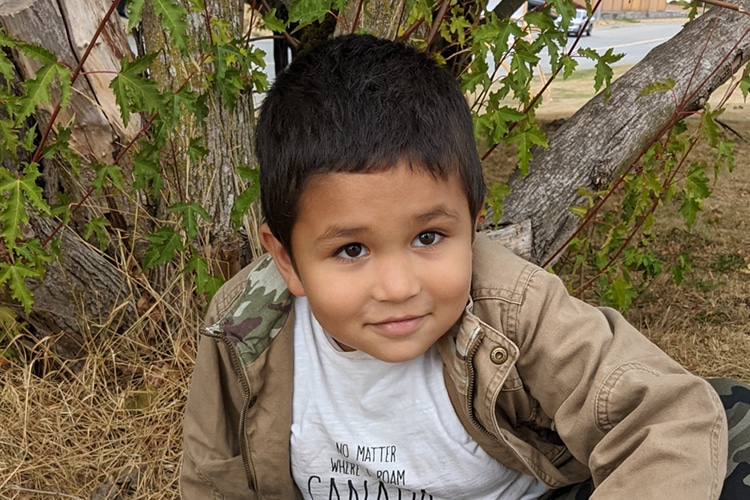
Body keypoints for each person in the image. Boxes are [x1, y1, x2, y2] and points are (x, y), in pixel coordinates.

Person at [180, 34, 735, 499]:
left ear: (472, 226)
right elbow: (211, 479)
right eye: (351, 250)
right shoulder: (243, 326)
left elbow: (665, 416)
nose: (398, 287)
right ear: (286, 260)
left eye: (428, 236)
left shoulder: (513, 306)